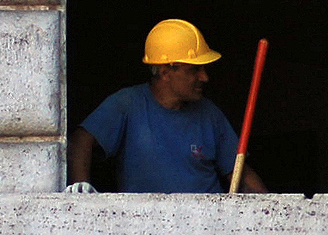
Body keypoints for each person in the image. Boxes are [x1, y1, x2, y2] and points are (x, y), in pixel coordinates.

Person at [68, 19, 265, 193]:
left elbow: (240, 174)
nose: (204, 77)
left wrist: (271, 212)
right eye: (194, 70)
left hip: (207, 226)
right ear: (164, 72)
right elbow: (80, 141)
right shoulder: (128, 104)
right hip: (147, 227)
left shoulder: (209, 114)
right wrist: (81, 192)